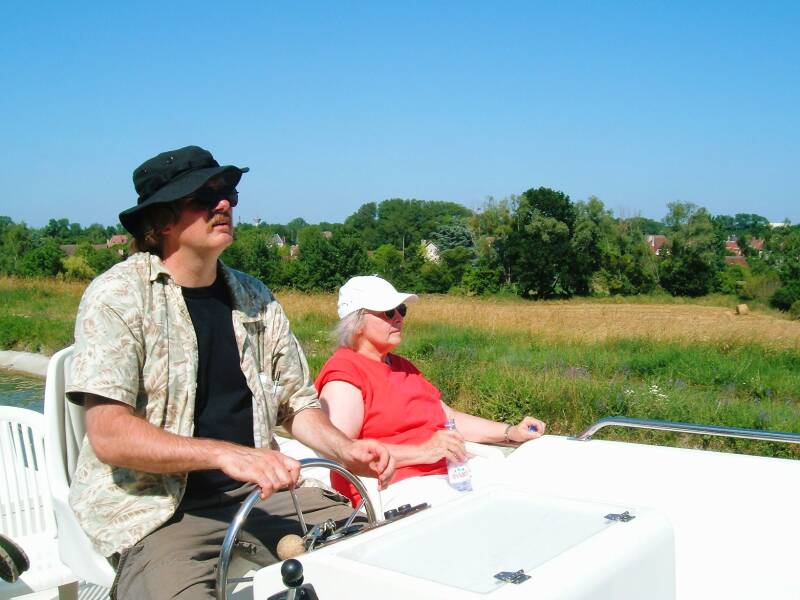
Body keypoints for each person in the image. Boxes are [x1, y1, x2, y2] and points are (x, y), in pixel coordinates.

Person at [66, 146, 394, 600]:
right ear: (159, 221)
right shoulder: (118, 297)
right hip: (160, 512)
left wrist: (346, 448)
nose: (224, 205)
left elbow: (296, 402)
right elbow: (109, 436)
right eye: (203, 196)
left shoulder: (255, 297)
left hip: (264, 495)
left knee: (379, 559)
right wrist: (227, 454)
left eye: (228, 193)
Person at [316, 275, 545, 510]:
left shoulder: (403, 367)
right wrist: (422, 452)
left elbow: (449, 419)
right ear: (356, 321)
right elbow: (340, 451)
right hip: (394, 489)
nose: (398, 318)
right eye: (388, 312)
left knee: (534, 480)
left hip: (446, 476)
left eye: (401, 310)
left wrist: (510, 432)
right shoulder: (345, 373)